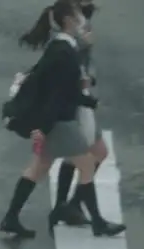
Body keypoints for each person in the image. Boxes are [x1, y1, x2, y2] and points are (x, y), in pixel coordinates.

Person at [0, 0, 125, 239]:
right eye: (78, 16)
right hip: (59, 120)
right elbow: (60, 94)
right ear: (68, 20)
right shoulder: (62, 51)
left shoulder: (62, 47)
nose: (83, 21)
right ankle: (96, 222)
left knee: (39, 167)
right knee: (86, 163)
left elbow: (62, 85)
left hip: (56, 117)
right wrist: (45, 127)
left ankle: (11, 218)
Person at [50, 1, 105, 228]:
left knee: (90, 153)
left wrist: (90, 78)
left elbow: (86, 60)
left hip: (79, 92)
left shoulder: (83, 17)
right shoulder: (67, 20)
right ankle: (74, 209)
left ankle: (67, 205)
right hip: (71, 97)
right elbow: (63, 55)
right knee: (86, 155)